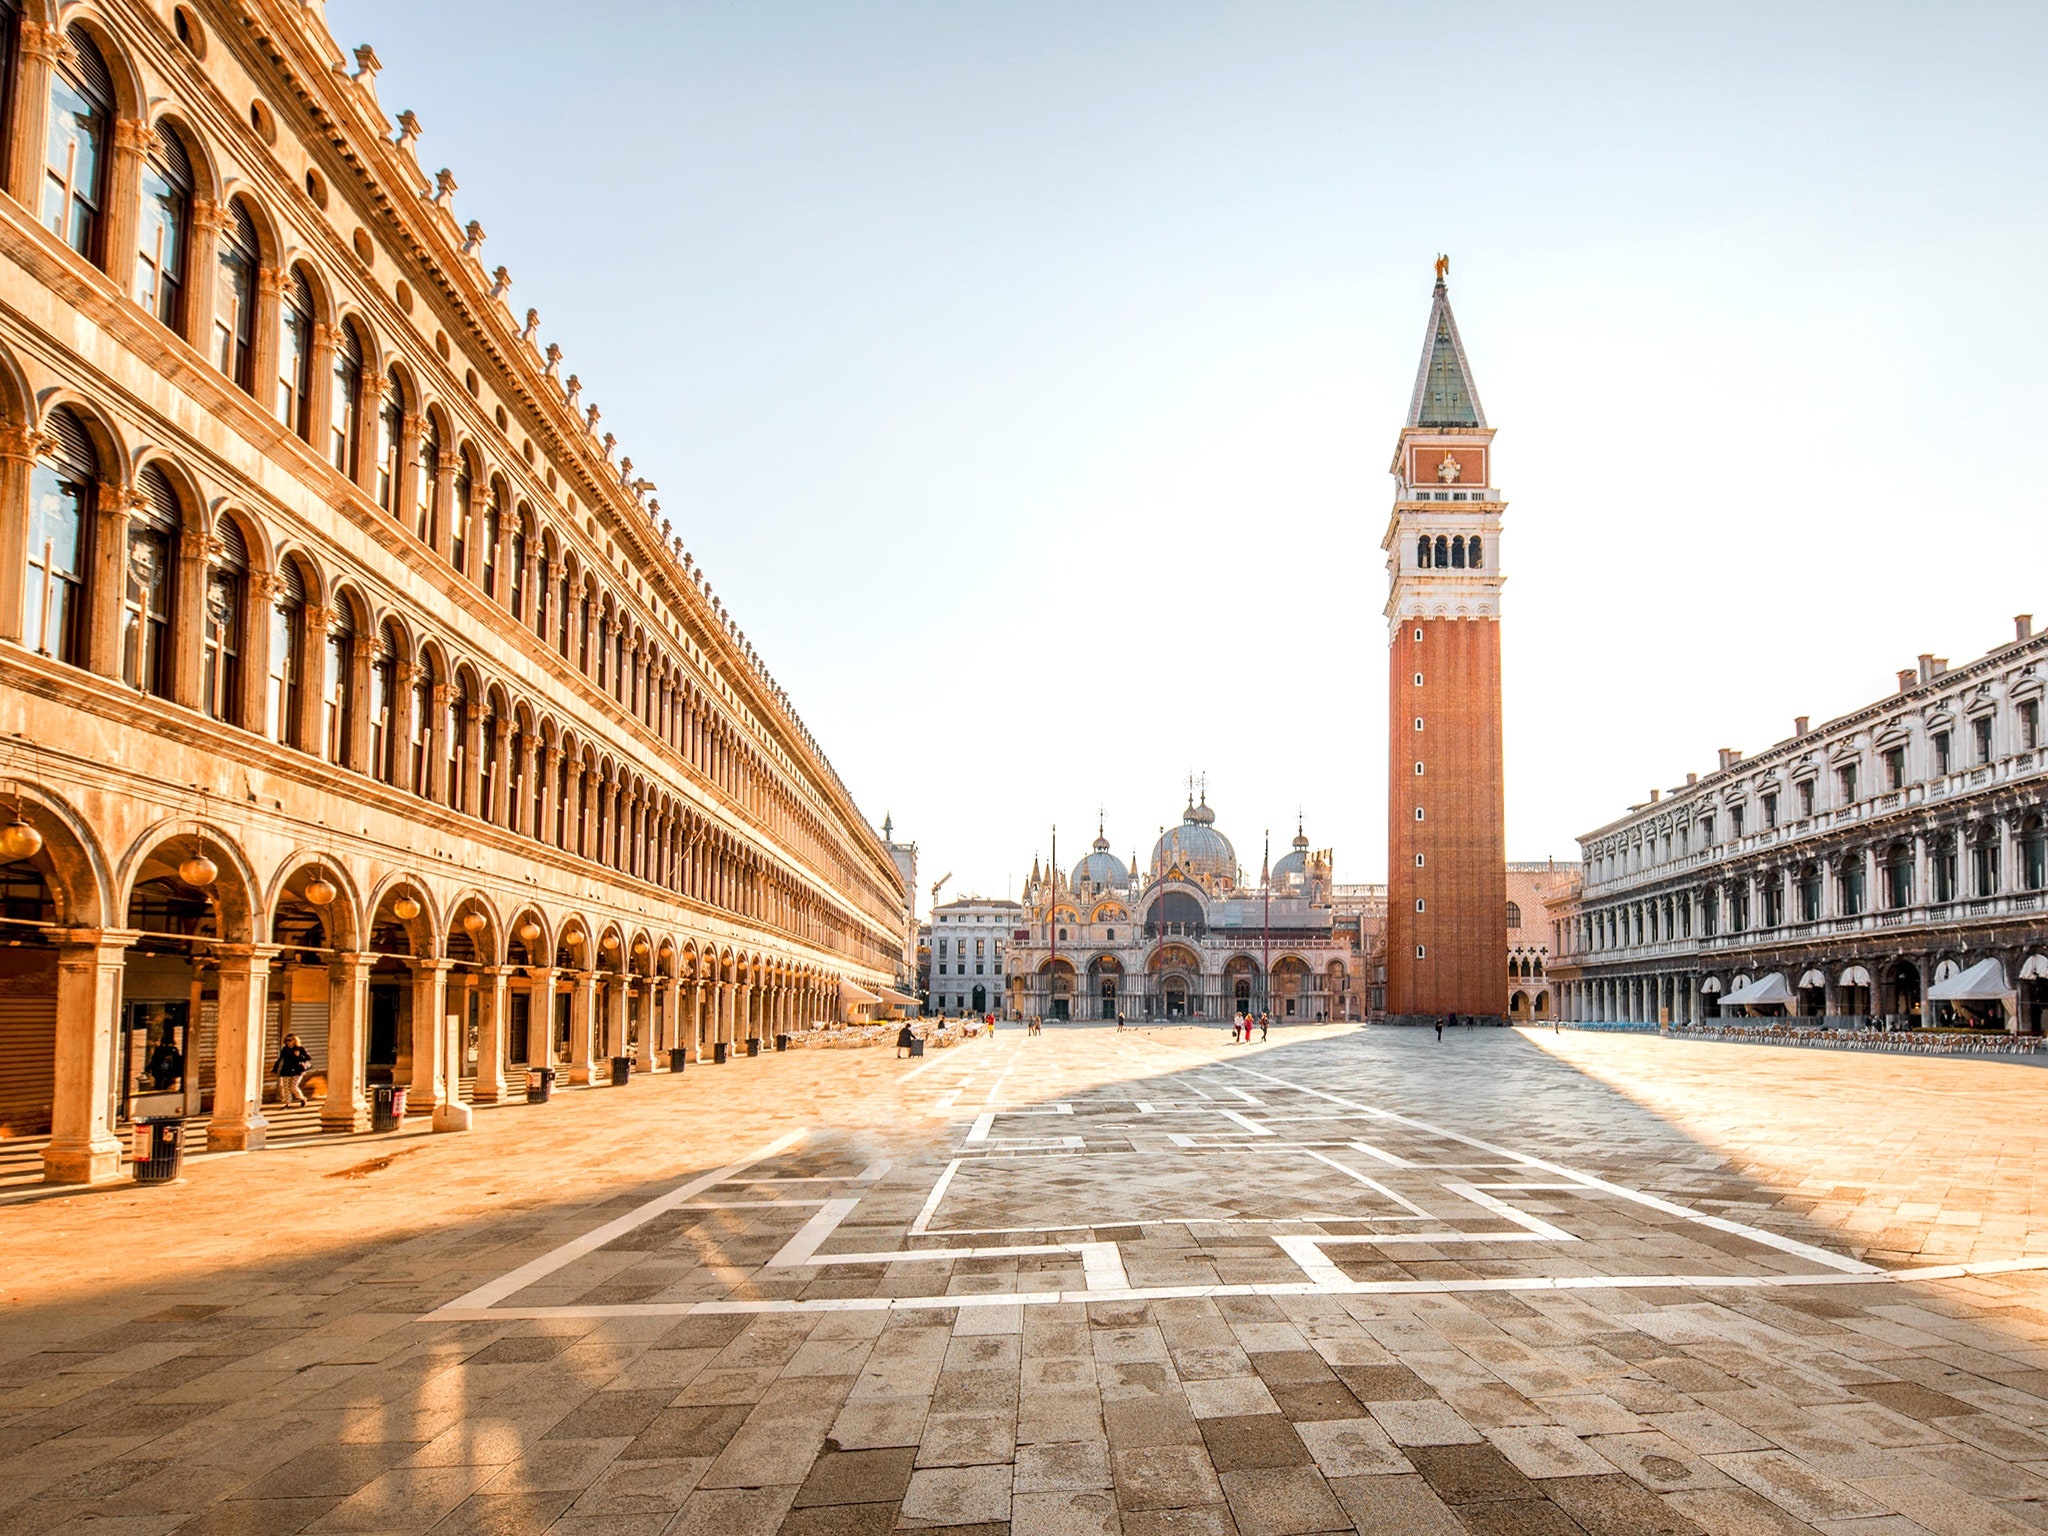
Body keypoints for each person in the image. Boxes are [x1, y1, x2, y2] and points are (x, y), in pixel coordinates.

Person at [275, 1032, 312, 1106]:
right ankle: (287, 1103)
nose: (288, 1042)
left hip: (297, 1070)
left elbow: (308, 1058)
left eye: (290, 1040)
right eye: (286, 1040)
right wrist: (275, 1068)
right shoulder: (285, 1049)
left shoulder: (300, 1049)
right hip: (286, 1070)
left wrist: (299, 1056)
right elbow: (281, 1059)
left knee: (293, 1086)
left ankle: (302, 1098)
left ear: (295, 1040)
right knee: (286, 1087)